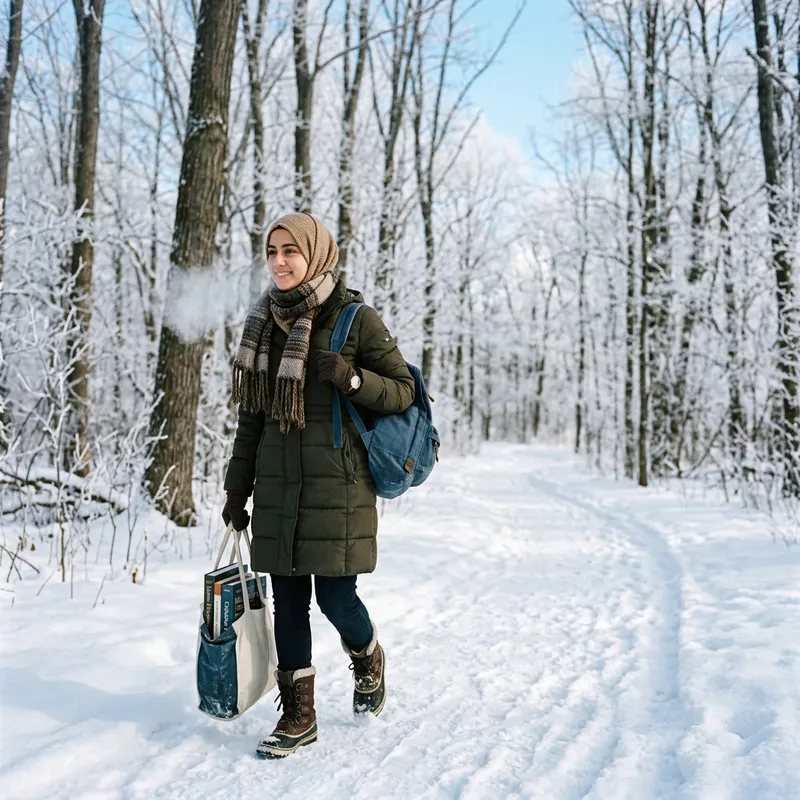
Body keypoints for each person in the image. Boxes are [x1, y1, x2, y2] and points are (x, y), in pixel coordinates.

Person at [222, 212, 414, 759]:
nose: (280, 262)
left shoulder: (356, 320)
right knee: (287, 602)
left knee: (335, 597)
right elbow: (252, 418)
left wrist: (351, 379)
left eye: (291, 252)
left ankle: (368, 654)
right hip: (279, 488)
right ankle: (300, 715)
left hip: (338, 487)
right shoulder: (263, 323)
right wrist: (238, 491)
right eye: (272, 252)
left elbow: (402, 391)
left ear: (315, 255)